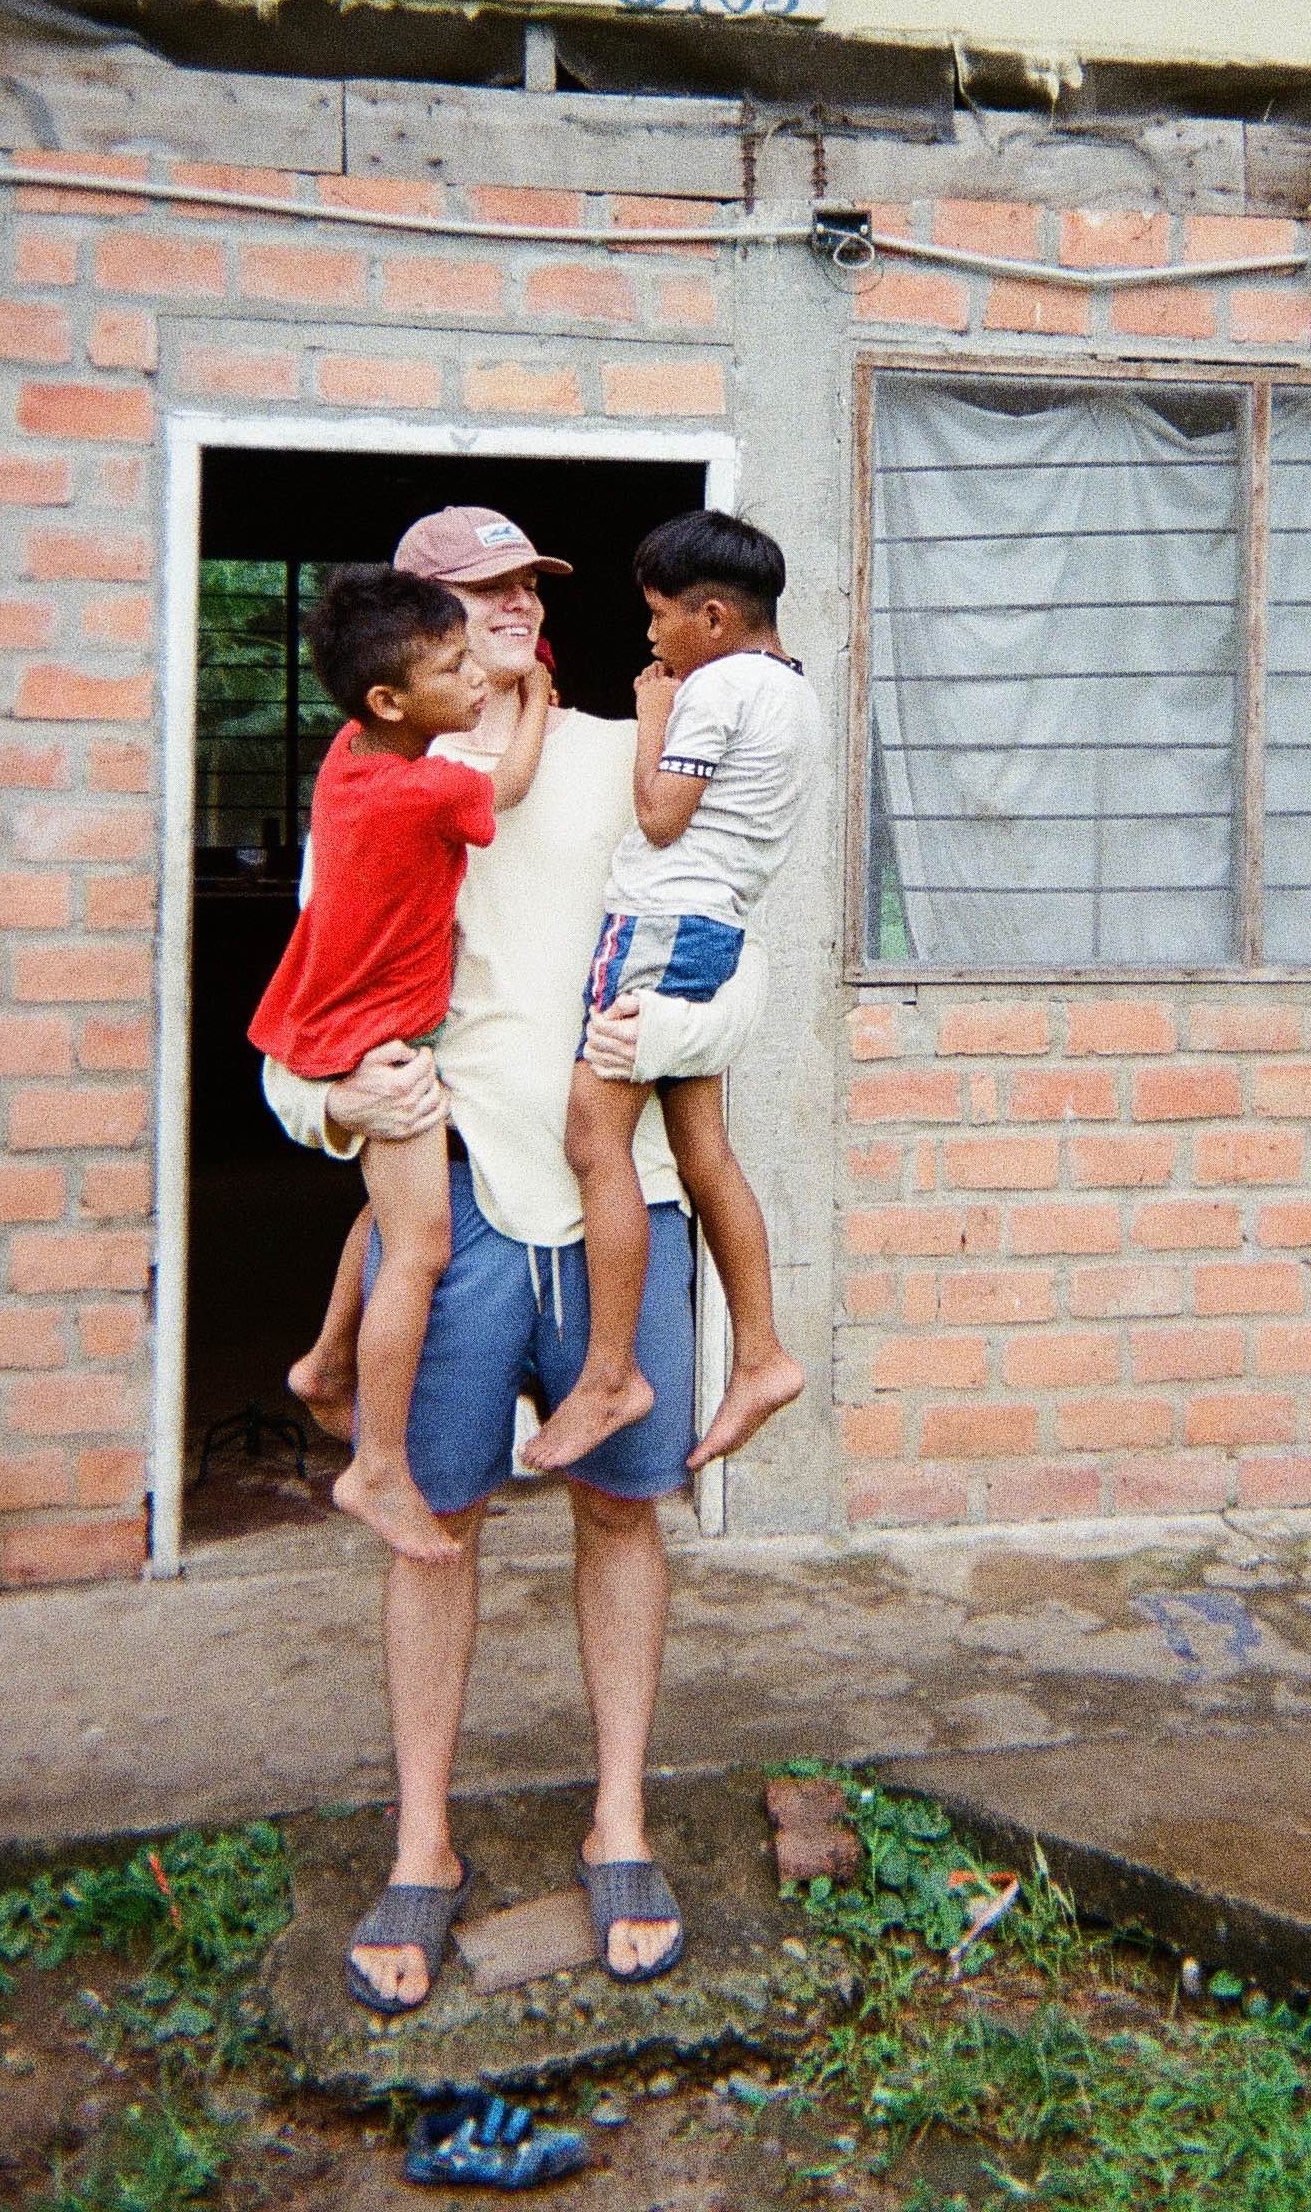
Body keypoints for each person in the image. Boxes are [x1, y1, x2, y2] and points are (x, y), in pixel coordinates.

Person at [263, 506, 743, 2008]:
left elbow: (737, 969)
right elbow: (305, 1016)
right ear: (419, 637)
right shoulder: (386, 779)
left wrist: (672, 1034)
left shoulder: (629, 767)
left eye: (525, 587)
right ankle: (422, 1846)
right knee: (437, 1528)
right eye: (475, 597)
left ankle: (620, 1817)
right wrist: (335, 1102)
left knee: (621, 1513)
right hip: (458, 1209)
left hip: (629, 1210)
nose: (511, 613)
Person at [250, 564, 555, 1567]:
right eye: (451, 666)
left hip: (342, 1019)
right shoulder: (424, 789)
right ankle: (376, 1464)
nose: (475, 681)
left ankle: (326, 1364)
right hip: (383, 1044)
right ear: (389, 700)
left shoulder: (349, 756)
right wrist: (539, 693)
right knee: (419, 1253)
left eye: (476, 661)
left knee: (387, 1218)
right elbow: (502, 785)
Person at [520, 511, 818, 1480]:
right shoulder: (790, 689)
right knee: (700, 1149)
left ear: (716, 616)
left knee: (589, 1136)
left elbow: (658, 818)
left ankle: (609, 1373)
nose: (650, 638)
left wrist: (652, 719)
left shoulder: (715, 688)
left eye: (658, 618)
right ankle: (762, 1352)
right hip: (713, 931)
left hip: (659, 927)